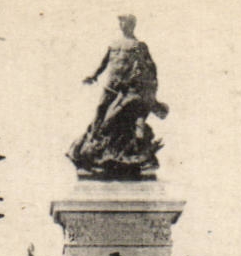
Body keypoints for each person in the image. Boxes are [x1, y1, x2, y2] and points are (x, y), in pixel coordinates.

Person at [68, 14, 170, 179]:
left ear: (132, 25)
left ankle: (121, 153)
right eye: (120, 22)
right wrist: (94, 76)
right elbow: (104, 62)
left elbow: (151, 68)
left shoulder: (139, 45)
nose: (122, 25)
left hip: (127, 87)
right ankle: (93, 148)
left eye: (125, 22)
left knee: (119, 118)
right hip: (111, 85)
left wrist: (149, 91)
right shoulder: (114, 44)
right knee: (100, 112)